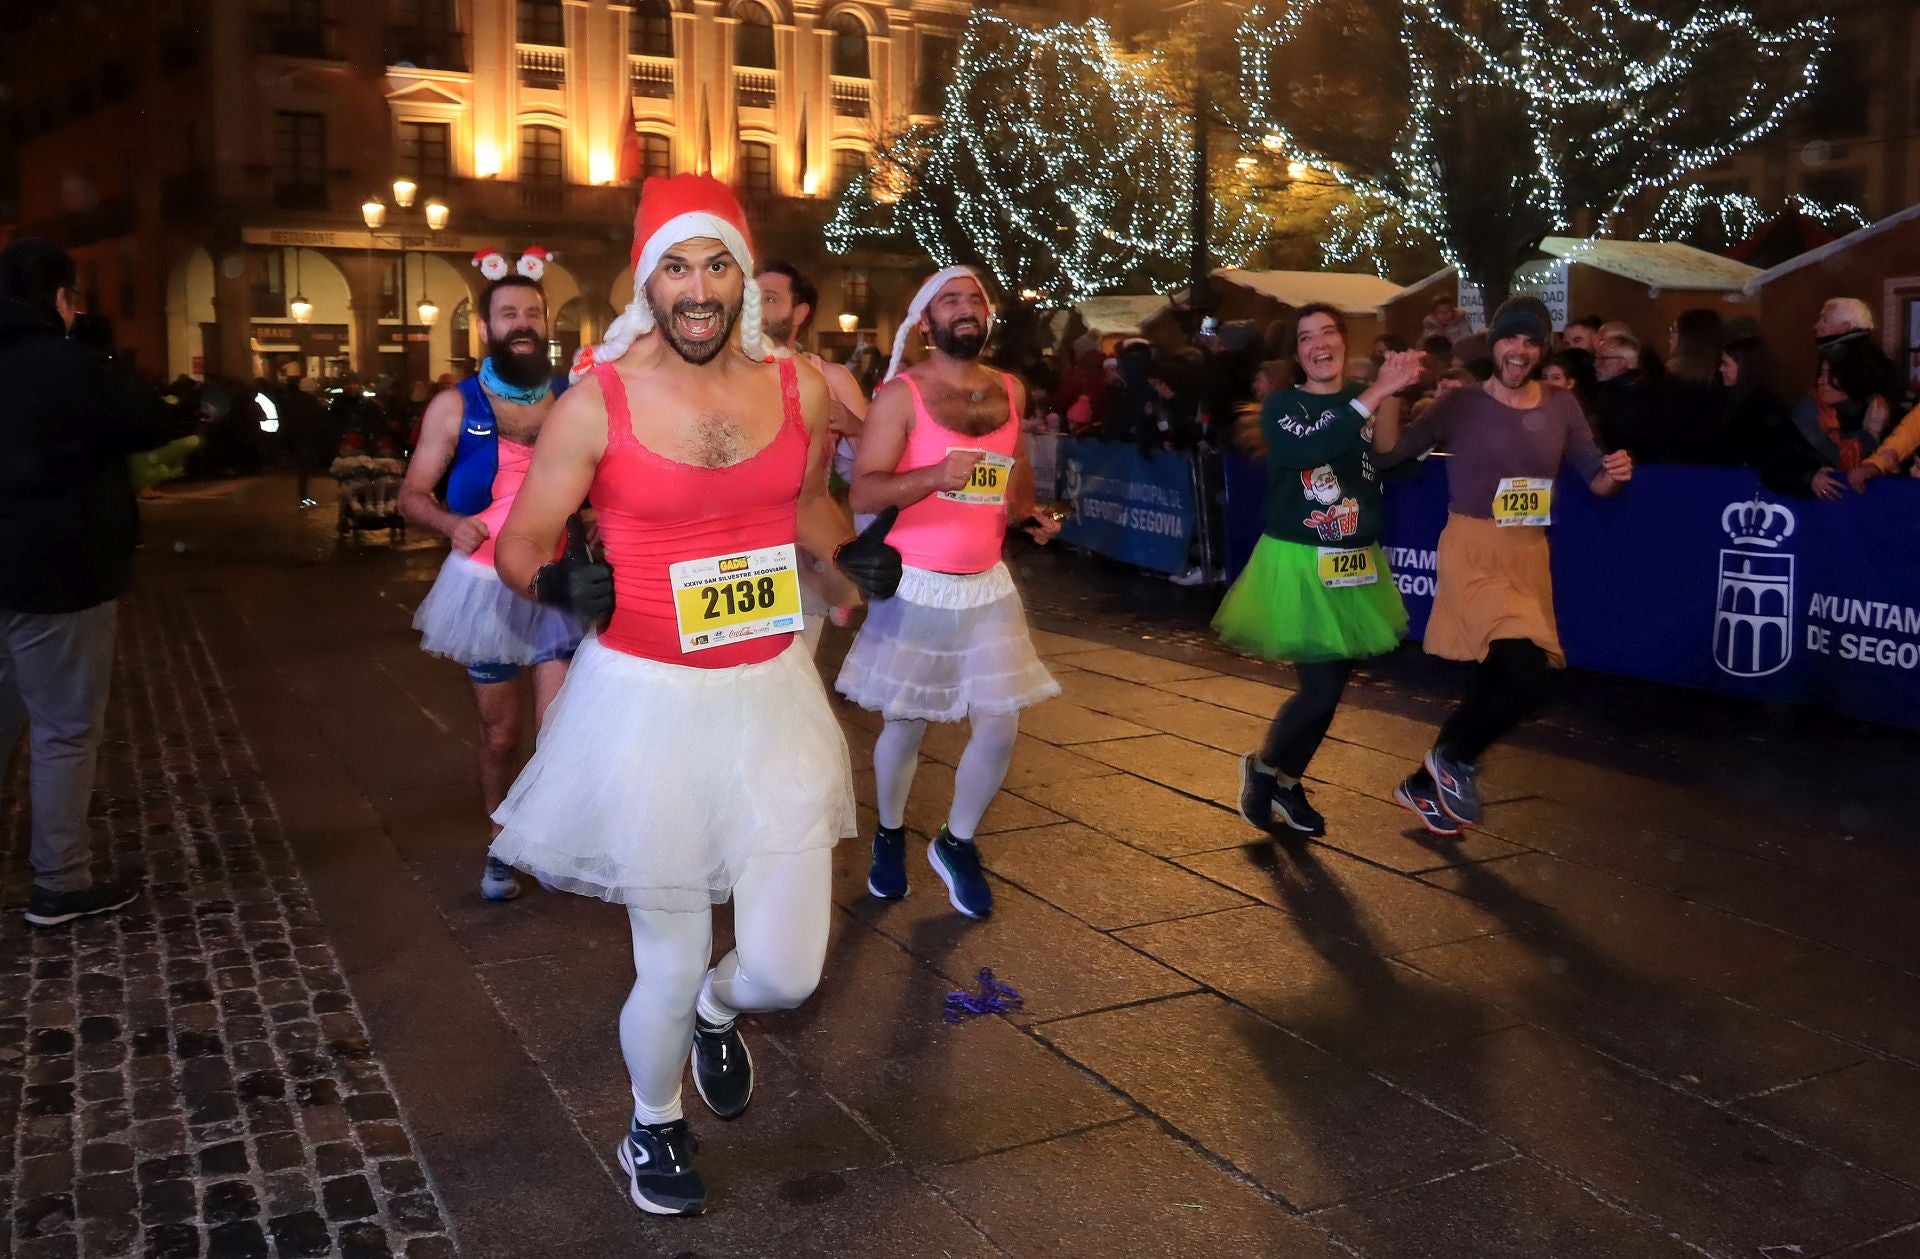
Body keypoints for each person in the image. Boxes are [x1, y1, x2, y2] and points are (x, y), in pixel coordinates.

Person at [488, 175, 889, 1217]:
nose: (699, 288)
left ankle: (724, 1008)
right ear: (649, 282)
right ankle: (653, 1120)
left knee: (788, 973)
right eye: (678, 266)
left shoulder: (797, 388)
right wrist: (547, 578)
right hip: (647, 703)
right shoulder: (596, 401)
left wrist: (853, 562)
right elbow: (523, 537)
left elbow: (807, 507)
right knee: (663, 962)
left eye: (717, 264)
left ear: (743, 279)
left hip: (769, 692)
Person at [836, 267, 1063, 920]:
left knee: (1000, 721)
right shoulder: (902, 395)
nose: (966, 309)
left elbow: (1011, 475)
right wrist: (934, 474)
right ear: (928, 321)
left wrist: (1029, 515)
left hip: (988, 584)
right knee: (905, 724)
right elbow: (865, 490)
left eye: (975, 300)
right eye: (951, 301)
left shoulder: (1011, 389)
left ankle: (957, 840)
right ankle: (889, 831)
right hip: (915, 585)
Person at [1376, 297, 1632, 835]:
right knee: (1530, 678)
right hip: (1473, 550)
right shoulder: (1461, 404)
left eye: (1532, 342)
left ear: (1541, 350)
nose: (1520, 350)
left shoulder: (1562, 405)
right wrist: (1391, 395)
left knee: (1497, 684)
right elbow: (1388, 455)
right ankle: (1455, 762)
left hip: (1528, 554)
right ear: (1494, 345)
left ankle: (1423, 784)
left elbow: (1598, 481)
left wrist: (1617, 472)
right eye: (1511, 339)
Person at [0, 237, 171, 926]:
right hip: (58, 575)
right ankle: (60, 880)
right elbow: (147, 421)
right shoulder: (68, 366)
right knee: (65, 728)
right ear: (62, 299)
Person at [400, 272, 585, 902]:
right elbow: (411, 495)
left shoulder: (574, 399)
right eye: (509, 314)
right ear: (486, 328)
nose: (523, 323)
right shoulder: (456, 406)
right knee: (501, 735)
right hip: (483, 593)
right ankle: (501, 842)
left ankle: (549, 836)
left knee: (561, 730)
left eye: (533, 312)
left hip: (556, 586)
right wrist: (450, 523)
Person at [1214, 303, 1422, 836]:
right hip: (1299, 561)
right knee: (1321, 689)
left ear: (1344, 341)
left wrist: (1394, 387)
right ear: (1298, 352)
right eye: (1307, 336)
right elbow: (1310, 448)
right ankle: (1263, 772)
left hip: (1355, 561)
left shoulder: (1365, 398)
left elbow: (1388, 454)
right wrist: (1372, 394)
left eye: (1329, 331)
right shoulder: (1282, 405)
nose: (1319, 343)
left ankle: (1286, 783)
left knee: (1332, 687)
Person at [756, 259, 870, 650]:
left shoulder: (830, 378)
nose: (755, 306)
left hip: (803, 550)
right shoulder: (723, 375)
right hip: (734, 554)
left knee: (793, 672)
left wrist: (855, 426)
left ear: (800, 313)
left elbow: (876, 463)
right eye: (749, 297)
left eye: (769, 298)